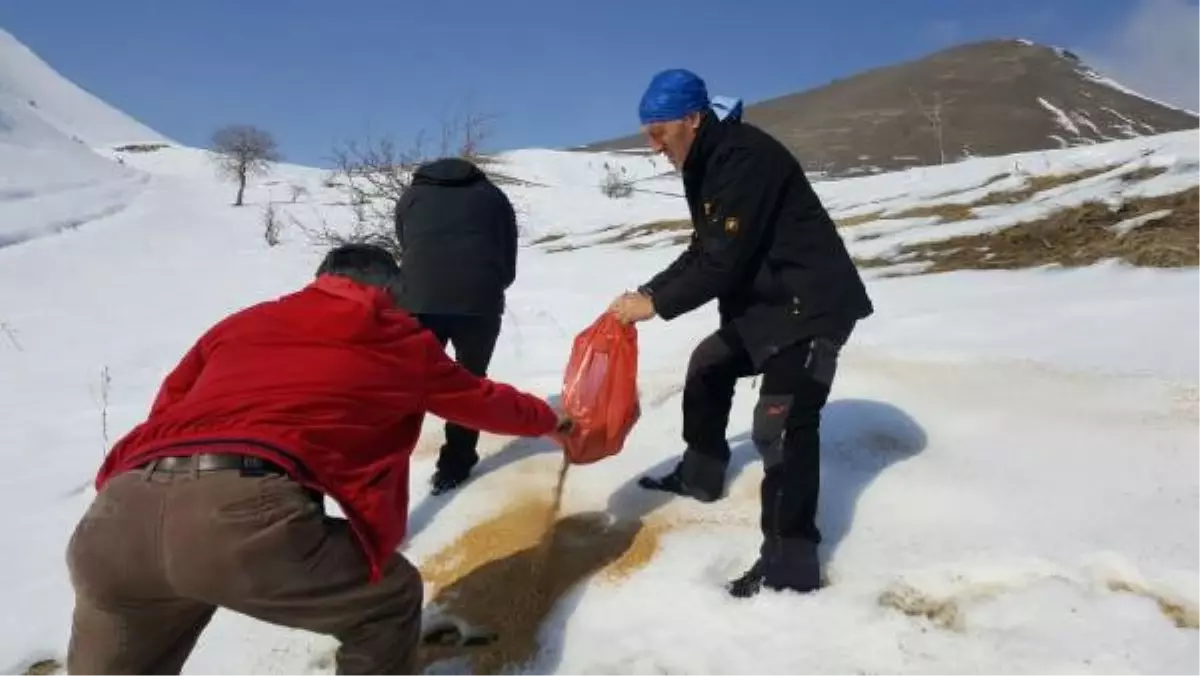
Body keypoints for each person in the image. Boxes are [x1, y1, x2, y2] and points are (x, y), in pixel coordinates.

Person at [65, 243, 570, 676]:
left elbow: (169, 404)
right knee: (388, 602)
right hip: (238, 515)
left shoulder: (240, 324)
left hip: (116, 517)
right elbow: (481, 400)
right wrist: (552, 421)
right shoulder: (395, 337)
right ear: (389, 291)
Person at [608, 69, 874, 598]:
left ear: (692, 118)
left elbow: (722, 263)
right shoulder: (704, 162)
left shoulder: (743, 158)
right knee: (708, 364)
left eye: (659, 132)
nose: (654, 146)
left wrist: (656, 304)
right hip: (769, 307)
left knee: (780, 427)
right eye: (646, 135)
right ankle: (701, 474)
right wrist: (646, 289)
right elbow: (704, 249)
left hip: (810, 308)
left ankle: (790, 564)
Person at [394, 156, 520, 495]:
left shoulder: (411, 197)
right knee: (469, 383)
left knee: (408, 387)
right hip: (479, 303)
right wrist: (489, 284)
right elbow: (508, 256)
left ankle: (388, 470)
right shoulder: (493, 196)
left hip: (420, 304)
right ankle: (455, 465)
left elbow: (406, 245)